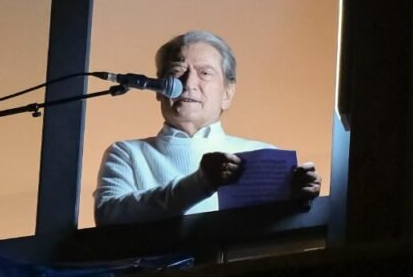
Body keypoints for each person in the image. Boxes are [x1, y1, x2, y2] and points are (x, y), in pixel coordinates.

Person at [94, 30, 321, 226]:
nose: (188, 83)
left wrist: (301, 201)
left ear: (228, 93)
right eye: (176, 72)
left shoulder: (263, 155)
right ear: (158, 90)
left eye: (205, 73)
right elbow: (107, 214)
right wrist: (200, 183)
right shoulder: (127, 154)